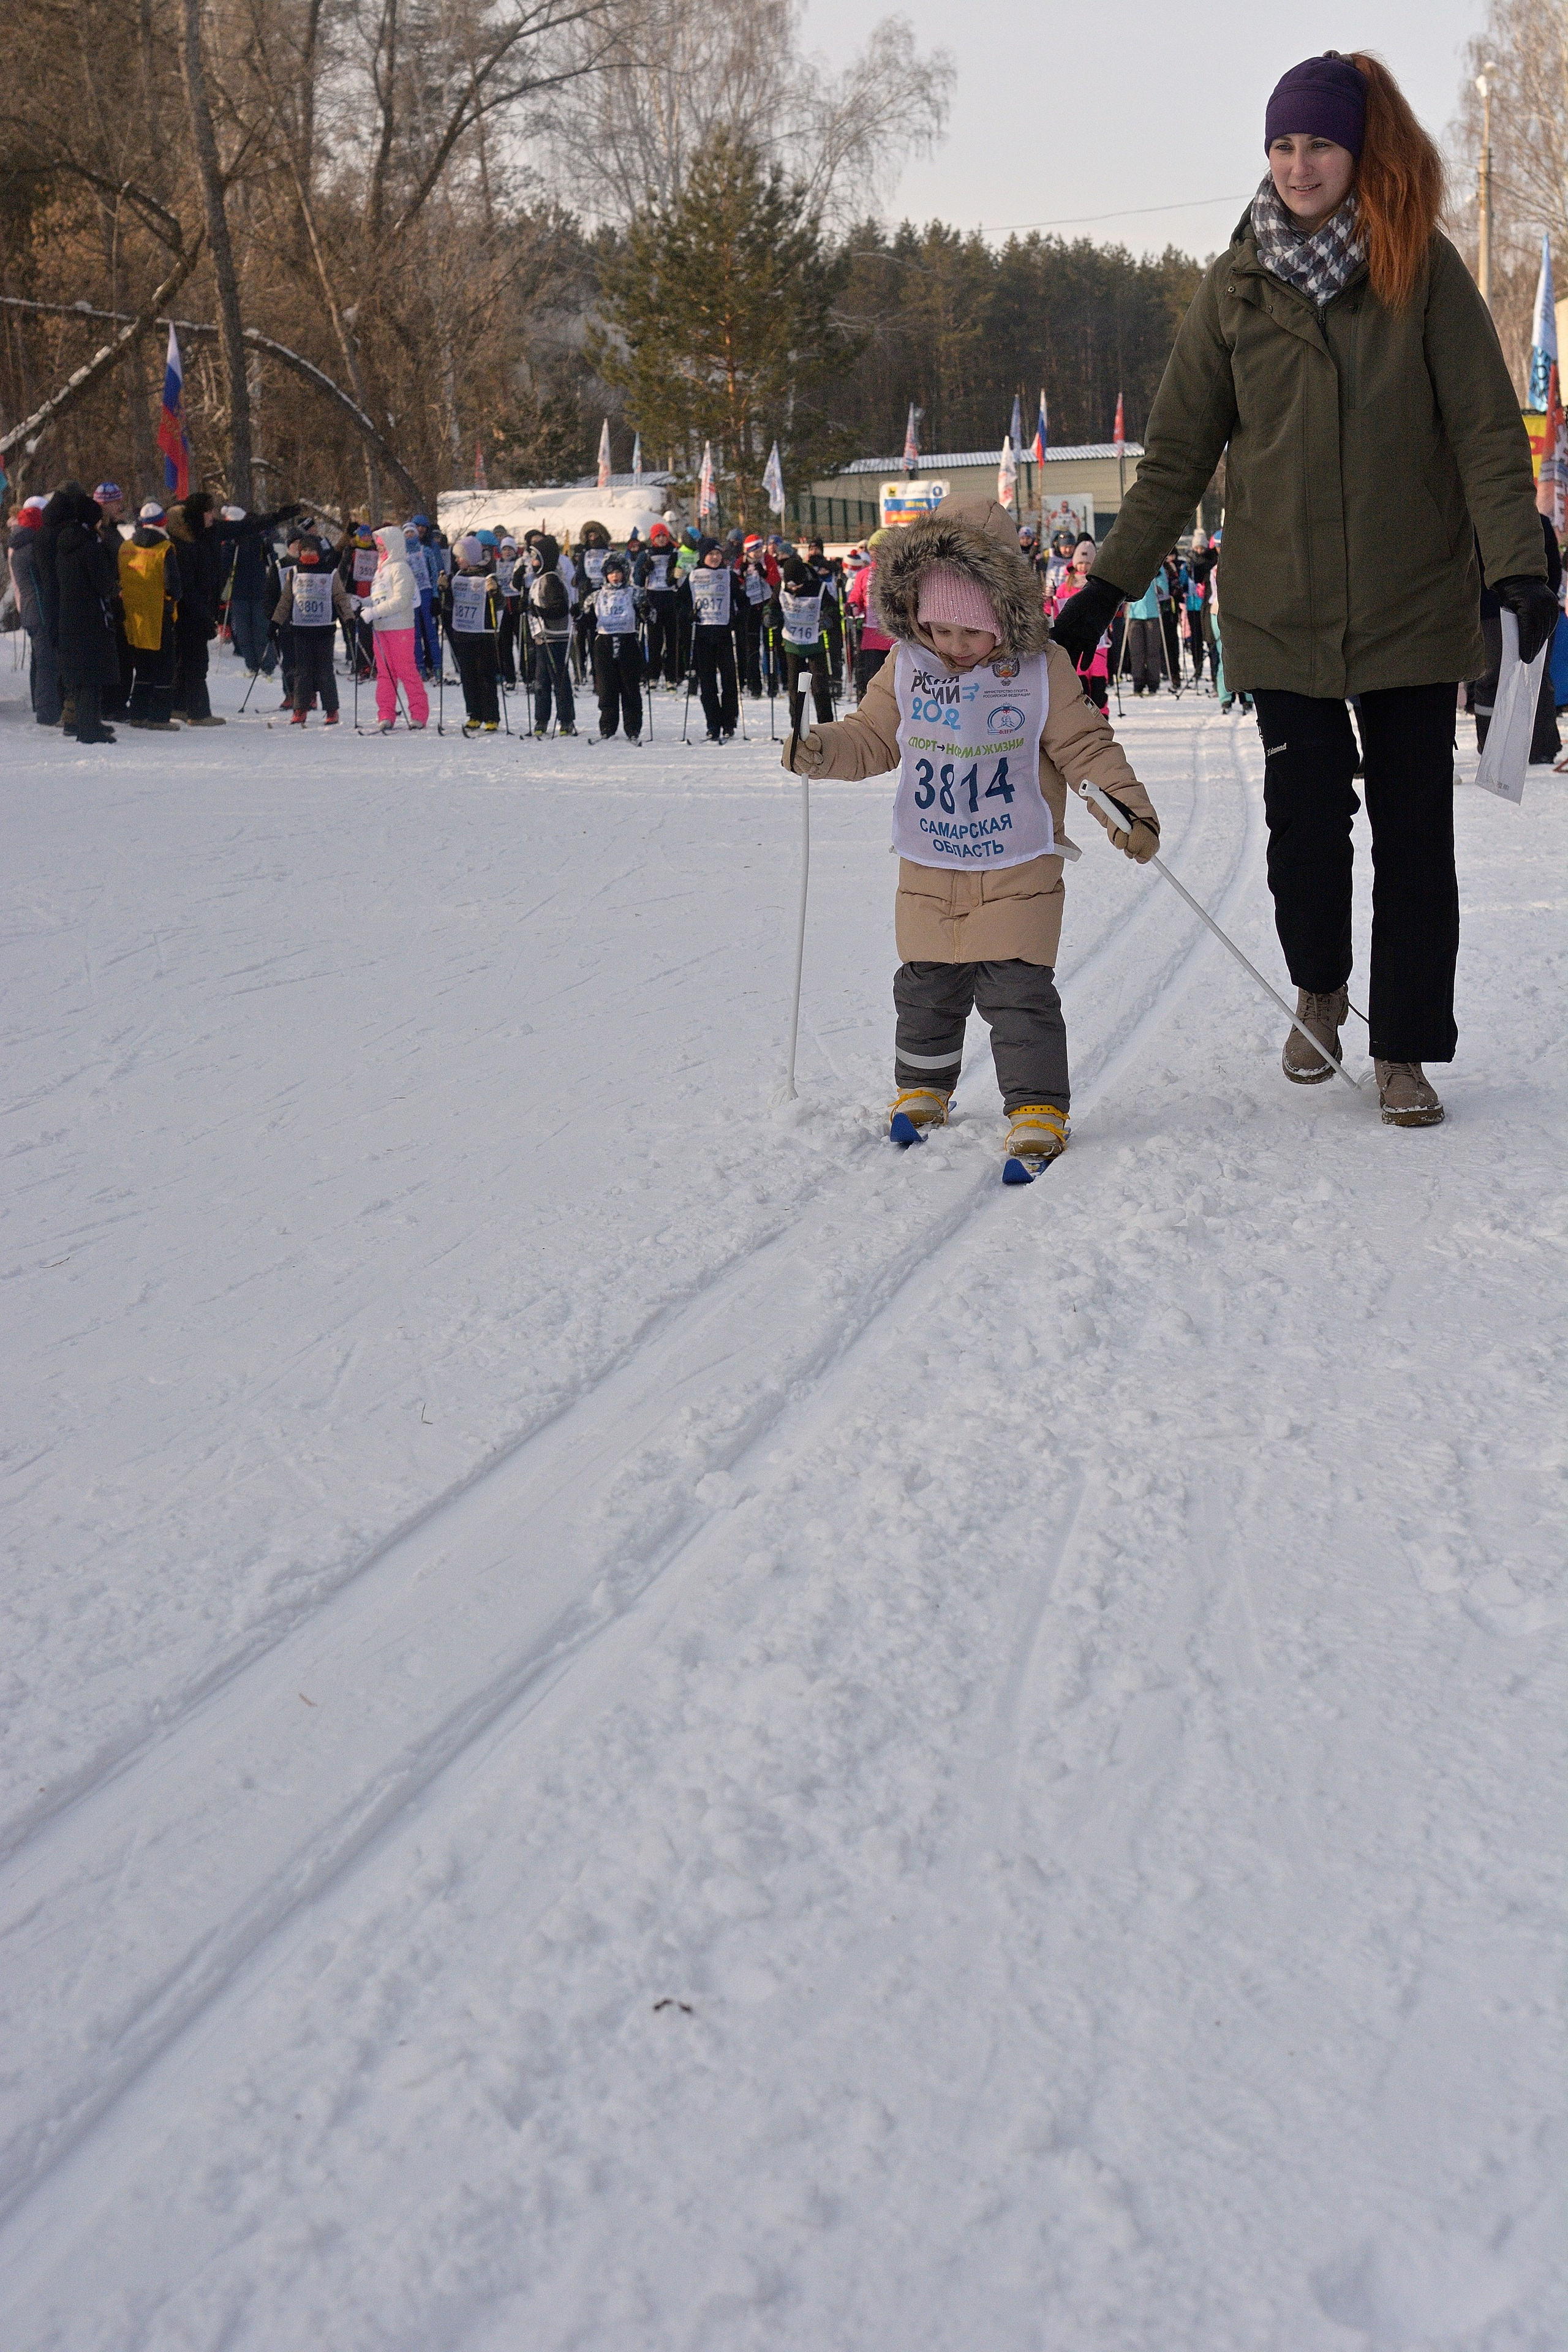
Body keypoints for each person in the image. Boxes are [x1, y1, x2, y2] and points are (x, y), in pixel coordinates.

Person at [1052, 50, 1552, 1129]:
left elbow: (1481, 430)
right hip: (1279, 609)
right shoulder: (1234, 288)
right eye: (1281, 144)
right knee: (1304, 826)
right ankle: (1321, 985)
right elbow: (1179, 454)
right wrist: (1107, 587)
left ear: (1360, 150)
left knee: (1416, 839)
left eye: (1318, 143)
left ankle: (1406, 1048)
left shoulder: (1422, 269)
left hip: (1414, 605)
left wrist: (1518, 561)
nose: (1298, 163)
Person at [780, 493, 1161, 1169]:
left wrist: (1125, 813)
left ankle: (1037, 1104)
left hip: (1017, 853)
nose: (953, 648)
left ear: (1004, 620)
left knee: (1016, 986)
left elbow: (1086, 750)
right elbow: (872, 737)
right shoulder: (910, 666)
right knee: (925, 981)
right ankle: (923, 1087)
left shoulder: (1041, 673)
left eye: (970, 633)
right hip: (931, 852)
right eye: (938, 630)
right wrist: (821, 750)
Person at [55, 492, 122, 743]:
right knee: (92, 676)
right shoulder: (89, 546)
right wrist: (115, 588)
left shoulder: (66, 543)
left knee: (83, 676)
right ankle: (89, 730)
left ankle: (90, 723)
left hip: (71, 615)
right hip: (91, 617)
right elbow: (102, 583)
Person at [273, 538, 355, 724]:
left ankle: (332, 710)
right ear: (300, 553)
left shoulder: (330, 573)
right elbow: (286, 600)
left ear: (319, 552)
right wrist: (276, 622)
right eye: (305, 550)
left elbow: (340, 597)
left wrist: (348, 618)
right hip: (301, 629)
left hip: (325, 629)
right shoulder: (294, 573)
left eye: (312, 550)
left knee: (325, 670)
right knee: (302, 671)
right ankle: (300, 709)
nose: (309, 554)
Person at [164, 492, 225, 725]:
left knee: (184, 661)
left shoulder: (199, 539)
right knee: (197, 662)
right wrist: (206, 618)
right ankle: (199, 713)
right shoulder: (184, 547)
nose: (212, 516)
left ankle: (178, 706)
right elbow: (189, 589)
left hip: (192, 611)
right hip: (190, 614)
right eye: (208, 511)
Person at [118, 502, 181, 728]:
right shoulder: (165, 548)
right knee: (164, 666)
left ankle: (137, 713)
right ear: (163, 522)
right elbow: (174, 586)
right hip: (159, 615)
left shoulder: (125, 548)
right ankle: (159, 717)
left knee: (142, 667)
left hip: (132, 617)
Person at [366, 524, 430, 730]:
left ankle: (419, 713)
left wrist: (375, 612)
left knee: (406, 670)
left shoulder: (401, 568)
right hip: (381, 628)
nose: (379, 549)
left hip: (400, 627)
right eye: (377, 545)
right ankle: (386, 713)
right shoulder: (380, 570)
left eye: (382, 545)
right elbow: (380, 597)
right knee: (385, 673)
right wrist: (363, 602)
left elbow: (401, 600)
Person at [680, 538, 739, 741]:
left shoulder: (729, 576)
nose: (715, 558)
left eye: (718, 554)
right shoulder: (694, 576)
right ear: (703, 556)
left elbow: (742, 601)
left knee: (730, 681)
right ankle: (713, 724)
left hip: (723, 634)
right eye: (710, 554)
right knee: (708, 684)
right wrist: (689, 614)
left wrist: (737, 616)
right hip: (703, 635)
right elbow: (680, 603)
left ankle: (729, 723)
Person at [443, 535, 502, 734]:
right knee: (468, 676)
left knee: (486, 676)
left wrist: (494, 592)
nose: (458, 560)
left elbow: (500, 604)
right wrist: (443, 589)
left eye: (461, 556)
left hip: (483, 633)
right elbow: (450, 605)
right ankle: (474, 715)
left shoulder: (487, 575)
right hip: (463, 633)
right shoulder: (457, 576)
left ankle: (491, 717)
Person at [1049, 538, 1112, 710]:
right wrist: (1048, 600)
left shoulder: (1100, 587)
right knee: (1080, 684)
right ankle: (1084, 719)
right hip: (1075, 641)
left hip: (1099, 643)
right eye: (1081, 563)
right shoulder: (1065, 587)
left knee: (1099, 685)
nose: (1084, 567)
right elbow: (1056, 613)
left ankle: (1102, 716)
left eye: (1088, 563)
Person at [587, 552, 643, 740]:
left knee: (630, 688)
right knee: (606, 689)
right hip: (604, 643)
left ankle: (633, 727)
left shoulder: (634, 592)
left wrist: (645, 611)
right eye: (611, 573)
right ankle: (607, 727)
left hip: (628, 642)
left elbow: (651, 617)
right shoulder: (597, 596)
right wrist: (580, 615)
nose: (615, 576)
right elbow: (585, 620)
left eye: (618, 572)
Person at [777, 555, 834, 736]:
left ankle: (827, 726)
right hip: (793, 645)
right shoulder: (780, 588)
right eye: (791, 586)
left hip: (815, 644)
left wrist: (828, 619)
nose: (794, 589)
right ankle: (798, 727)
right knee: (795, 688)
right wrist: (769, 616)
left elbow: (833, 609)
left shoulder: (818, 588)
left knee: (819, 687)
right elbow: (771, 607)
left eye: (797, 586)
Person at [527, 535, 576, 735]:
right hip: (542, 638)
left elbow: (561, 609)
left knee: (560, 680)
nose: (533, 562)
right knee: (541, 681)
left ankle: (566, 720)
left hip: (555, 637)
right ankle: (541, 719)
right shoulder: (539, 580)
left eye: (536, 558)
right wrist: (528, 607)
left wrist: (540, 612)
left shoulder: (552, 580)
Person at [8, 494, 48, 714]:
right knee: (46, 662)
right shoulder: (31, 548)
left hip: (29, 606)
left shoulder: (19, 544)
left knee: (40, 660)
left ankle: (41, 705)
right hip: (37, 608)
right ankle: (46, 710)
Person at [846, 527, 897, 700]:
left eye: (880, 548)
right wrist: (852, 605)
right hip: (872, 637)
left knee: (894, 683)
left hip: (895, 638)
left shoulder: (897, 572)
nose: (875, 553)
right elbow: (856, 597)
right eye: (873, 549)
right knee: (873, 680)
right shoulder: (864, 575)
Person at [635, 522, 680, 685]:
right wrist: (644, 570)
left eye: (664, 536)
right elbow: (638, 580)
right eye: (658, 536)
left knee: (672, 639)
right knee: (654, 640)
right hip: (653, 598)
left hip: (671, 598)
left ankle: (671, 676)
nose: (661, 539)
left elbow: (682, 577)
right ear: (653, 538)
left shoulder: (675, 552)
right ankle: (653, 674)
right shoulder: (646, 554)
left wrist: (677, 574)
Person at [1123, 570, 1166, 695]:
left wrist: (1157, 579)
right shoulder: (1133, 565)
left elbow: (1164, 589)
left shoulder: (1158, 566)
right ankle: (1138, 683)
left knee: (1153, 651)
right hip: (1134, 614)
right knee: (1136, 652)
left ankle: (1153, 683)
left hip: (1152, 614)